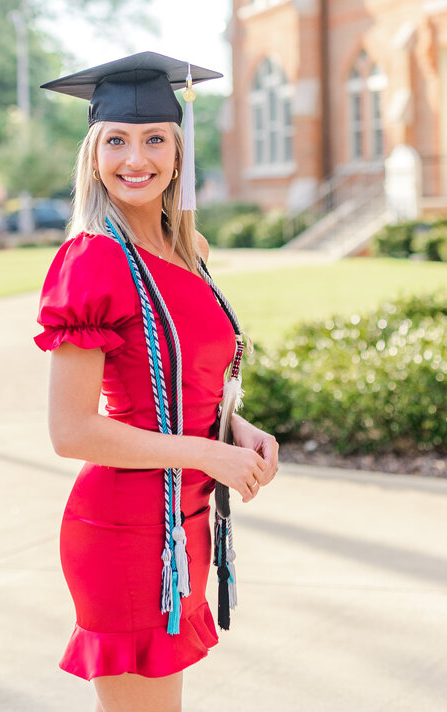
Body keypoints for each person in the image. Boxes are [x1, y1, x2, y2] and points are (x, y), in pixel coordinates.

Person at [34, 52, 279, 712]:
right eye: (115, 139)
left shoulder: (189, 250)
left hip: (184, 520)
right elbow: (71, 430)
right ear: (93, 152)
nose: (133, 158)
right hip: (124, 530)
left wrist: (237, 429)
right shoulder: (90, 261)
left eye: (153, 140)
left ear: (178, 151)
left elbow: (190, 376)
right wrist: (209, 454)